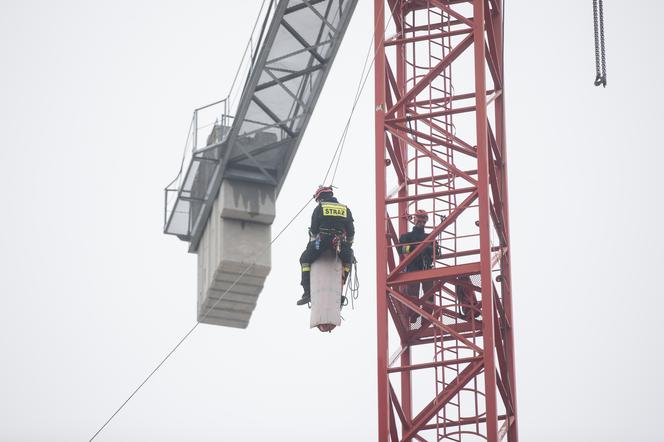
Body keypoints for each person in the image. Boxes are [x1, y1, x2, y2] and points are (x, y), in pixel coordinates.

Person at [296, 186, 355, 306]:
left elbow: (313, 230)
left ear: (321, 198)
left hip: (320, 240)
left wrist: (315, 240)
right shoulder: (345, 209)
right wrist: (347, 247)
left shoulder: (320, 208)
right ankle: (339, 293)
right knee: (348, 260)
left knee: (305, 259)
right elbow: (351, 232)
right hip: (339, 241)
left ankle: (307, 292)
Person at [398, 210, 436, 318]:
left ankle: (426, 316)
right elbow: (401, 249)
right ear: (415, 220)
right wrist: (413, 247)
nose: (421, 224)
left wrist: (430, 248)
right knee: (413, 295)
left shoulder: (430, 237)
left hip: (426, 268)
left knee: (429, 297)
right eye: (420, 222)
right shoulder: (407, 237)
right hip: (413, 268)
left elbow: (436, 252)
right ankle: (414, 317)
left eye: (423, 222)